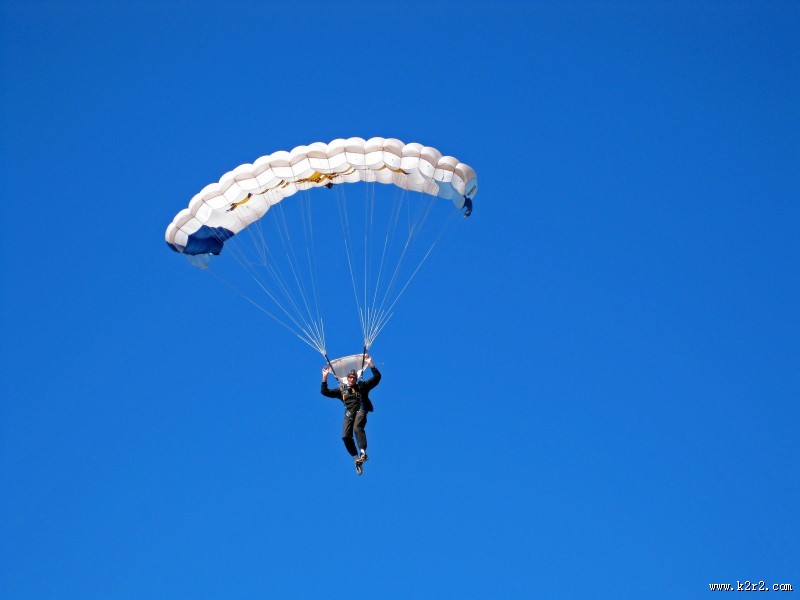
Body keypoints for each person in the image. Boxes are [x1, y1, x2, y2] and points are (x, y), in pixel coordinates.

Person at [321, 355, 381, 474]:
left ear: (356, 379)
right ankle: (356, 459)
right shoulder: (342, 390)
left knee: (357, 427)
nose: (352, 379)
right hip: (349, 414)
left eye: (354, 378)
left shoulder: (362, 387)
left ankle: (363, 452)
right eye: (350, 377)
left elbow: (377, 377)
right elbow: (324, 392)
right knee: (345, 436)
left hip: (361, 410)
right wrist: (325, 376)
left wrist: (370, 364)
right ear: (347, 378)